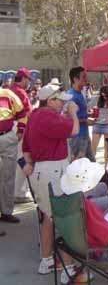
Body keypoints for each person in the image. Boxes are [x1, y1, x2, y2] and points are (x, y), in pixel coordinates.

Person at [22, 84, 80, 275]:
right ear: (51, 100)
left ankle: (47, 260)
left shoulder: (35, 116)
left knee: (49, 216)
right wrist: (73, 113)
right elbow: (74, 130)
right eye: (60, 99)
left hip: (44, 170)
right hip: (52, 171)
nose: (63, 102)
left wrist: (29, 165)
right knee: (64, 217)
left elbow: (26, 147)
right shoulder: (48, 116)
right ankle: (68, 267)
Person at [0, 86, 25, 228]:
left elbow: (22, 113)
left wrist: (21, 130)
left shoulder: (8, 94)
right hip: (7, 138)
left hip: (7, 137)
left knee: (8, 177)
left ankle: (6, 212)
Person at [10, 68, 33, 204]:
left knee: (13, 160)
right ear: (23, 79)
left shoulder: (9, 90)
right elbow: (26, 114)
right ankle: (18, 193)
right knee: (22, 159)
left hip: (9, 127)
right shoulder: (20, 92)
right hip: (19, 126)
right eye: (27, 80)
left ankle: (16, 191)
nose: (28, 82)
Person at [67, 66, 95, 161]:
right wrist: (85, 121)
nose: (86, 79)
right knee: (78, 167)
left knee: (90, 165)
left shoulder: (80, 93)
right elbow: (68, 118)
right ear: (75, 79)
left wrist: (89, 114)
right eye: (83, 76)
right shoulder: (71, 95)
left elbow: (79, 113)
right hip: (77, 137)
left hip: (84, 135)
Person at [91, 86, 108, 166]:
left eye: (105, 95)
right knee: (93, 147)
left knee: (106, 148)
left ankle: (105, 167)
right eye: (102, 95)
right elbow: (90, 108)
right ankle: (92, 165)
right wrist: (92, 112)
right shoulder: (97, 99)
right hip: (97, 125)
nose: (104, 97)